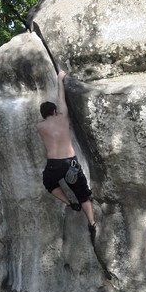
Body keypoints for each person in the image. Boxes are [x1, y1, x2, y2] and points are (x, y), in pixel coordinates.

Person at [37, 69, 96, 242]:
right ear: (55, 111)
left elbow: (47, 119)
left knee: (49, 184)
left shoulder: (40, 127)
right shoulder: (63, 118)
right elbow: (61, 98)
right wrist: (60, 78)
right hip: (70, 162)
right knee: (83, 193)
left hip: (53, 164)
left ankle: (71, 203)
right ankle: (92, 222)